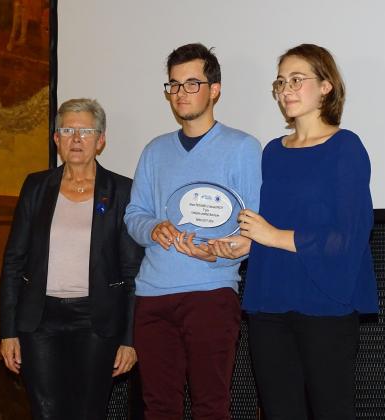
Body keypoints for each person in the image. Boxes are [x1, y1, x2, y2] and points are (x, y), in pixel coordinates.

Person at [210, 44, 379, 419]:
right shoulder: (272, 151)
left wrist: (273, 236)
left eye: (297, 79)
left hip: (325, 302)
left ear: (326, 86)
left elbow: (349, 235)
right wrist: (240, 243)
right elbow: (264, 223)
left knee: (331, 409)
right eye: (281, 81)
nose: (286, 89)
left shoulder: (345, 147)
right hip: (269, 299)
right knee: (279, 410)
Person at [124, 43, 262, 420]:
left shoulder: (243, 148)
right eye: (173, 85)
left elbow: (254, 227)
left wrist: (219, 251)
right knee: (159, 408)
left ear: (214, 89)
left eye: (191, 83)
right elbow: (134, 214)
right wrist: (153, 229)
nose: (181, 93)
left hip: (210, 293)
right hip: (152, 296)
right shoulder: (155, 150)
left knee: (211, 407)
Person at [0, 98, 144, 420]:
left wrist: (129, 340)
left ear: (101, 140)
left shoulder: (122, 190)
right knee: (46, 412)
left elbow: (133, 271)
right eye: (67, 130)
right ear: (56, 139)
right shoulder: (35, 186)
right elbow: (13, 261)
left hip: (96, 321)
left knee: (88, 412)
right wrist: (8, 332)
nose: (76, 139)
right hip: (39, 321)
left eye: (85, 131)